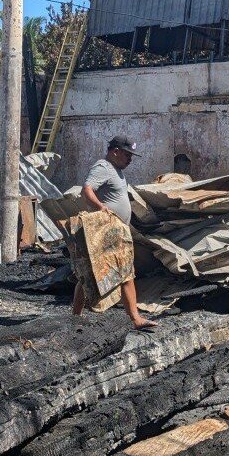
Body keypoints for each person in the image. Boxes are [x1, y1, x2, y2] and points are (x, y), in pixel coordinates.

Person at [71, 135, 156, 330]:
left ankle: (133, 318)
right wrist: (101, 207)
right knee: (92, 273)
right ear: (115, 151)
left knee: (124, 272)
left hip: (117, 231)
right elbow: (87, 189)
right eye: (127, 155)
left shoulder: (117, 171)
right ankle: (76, 317)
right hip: (106, 231)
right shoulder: (103, 167)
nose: (130, 159)